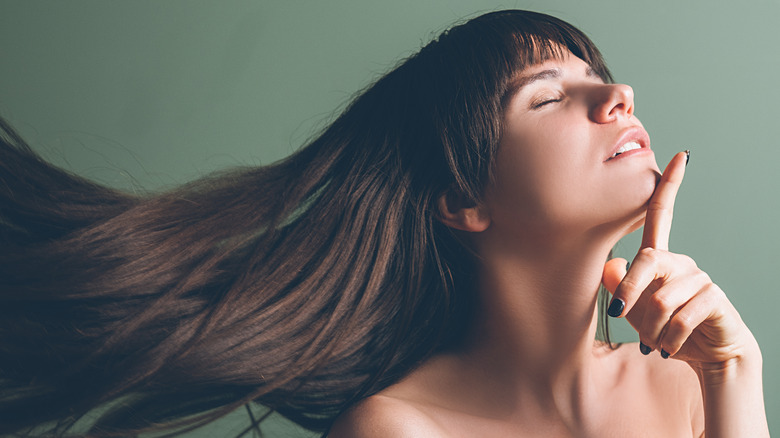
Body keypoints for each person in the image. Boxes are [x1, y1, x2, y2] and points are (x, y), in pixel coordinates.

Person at [0, 9, 768, 437]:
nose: (618, 95)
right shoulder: (397, 432)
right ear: (464, 199)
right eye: (546, 95)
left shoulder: (691, 390)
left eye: (600, 79)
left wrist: (736, 375)